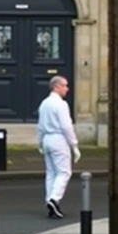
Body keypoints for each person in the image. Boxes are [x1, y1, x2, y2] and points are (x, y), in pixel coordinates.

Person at [37, 76, 81, 218]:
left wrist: (40, 142)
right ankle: (54, 199)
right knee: (64, 173)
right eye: (65, 85)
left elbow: (40, 126)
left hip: (47, 139)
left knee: (51, 173)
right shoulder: (61, 104)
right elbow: (66, 126)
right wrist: (74, 145)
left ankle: (49, 200)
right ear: (57, 87)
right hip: (58, 139)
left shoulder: (44, 103)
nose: (67, 89)